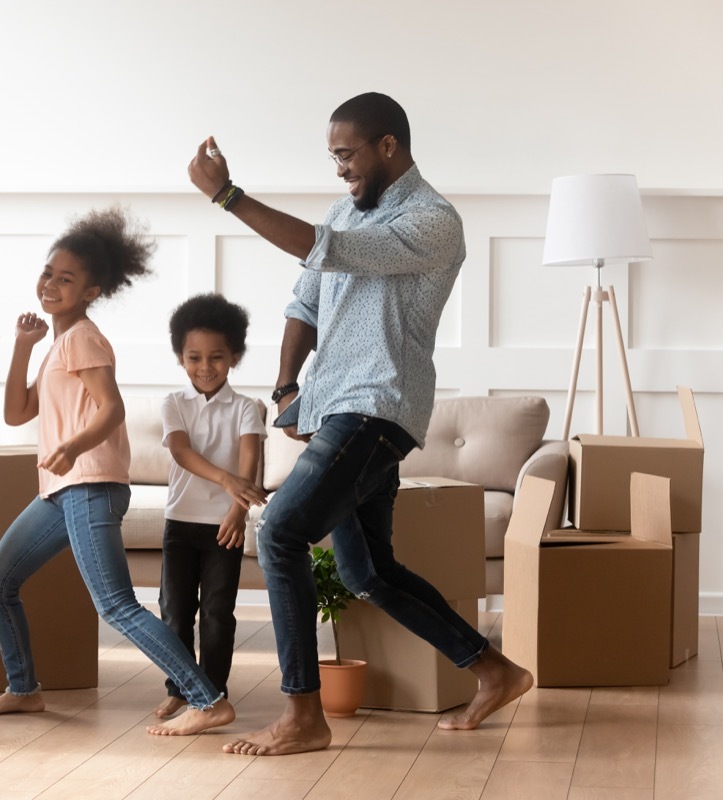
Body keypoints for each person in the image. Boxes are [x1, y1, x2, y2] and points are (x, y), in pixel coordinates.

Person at [186, 92, 533, 756]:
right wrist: (290, 387)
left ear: (388, 147)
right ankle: (495, 671)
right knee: (367, 571)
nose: (340, 169)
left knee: (283, 532)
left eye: (346, 154)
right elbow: (304, 302)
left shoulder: (433, 220)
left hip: (378, 407)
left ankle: (302, 714)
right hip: (336, 407)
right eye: (333, 156)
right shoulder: (345, 210)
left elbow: (328, 250)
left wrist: (228, 196)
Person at [0, 208, 237, 736]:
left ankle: (208, 700)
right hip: (63, 491)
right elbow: (17, 413)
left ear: (91, 291)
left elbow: (110, 409)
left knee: (115, 605)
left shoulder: (84, 338)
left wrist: (72, 445)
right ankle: (23, 689)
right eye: (48, 272)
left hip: (88, 485)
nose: (51, 284)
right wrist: (23, 347)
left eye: (66, 279)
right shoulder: (58, 345)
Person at [154, 293, 267, 720]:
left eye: (216, 357)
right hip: (180, 523)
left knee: (218, 614)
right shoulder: (173, 404)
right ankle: (180, 691)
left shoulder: (245, 408)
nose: (205, 367)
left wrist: (238, 512)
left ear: (234, 356)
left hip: (225, 525)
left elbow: (249, 462)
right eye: (194, 357)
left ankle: (213, 694)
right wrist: (227, 481)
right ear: (180, 357)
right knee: (175, 613)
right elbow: (181, 453)